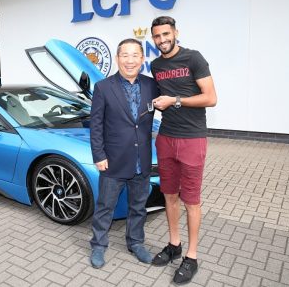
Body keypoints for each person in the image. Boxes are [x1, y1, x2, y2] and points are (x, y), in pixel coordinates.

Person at [149, 16, 217, 285]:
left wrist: (174, 100)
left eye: (166, 34)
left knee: (192, 200)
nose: (162, 40)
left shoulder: (194, 58)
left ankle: (191, 256)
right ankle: (174, 244)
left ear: (175, 32)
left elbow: (211, 98)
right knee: (169, 195)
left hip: (192, 139)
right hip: (165, 137)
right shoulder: (156, 65)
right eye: (157, 36)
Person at [89, 38, 159, 268]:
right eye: (125, 55)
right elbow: (96, 125)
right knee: (105, 207)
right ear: (118, 58)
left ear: (142, 59)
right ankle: (99, 246)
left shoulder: (152, 85)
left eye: (135, 55)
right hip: (113, 162)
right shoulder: (103, 87)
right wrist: (99, 155)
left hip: (142, 160)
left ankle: (136, 243)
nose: (130, 60)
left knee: (138, 207)